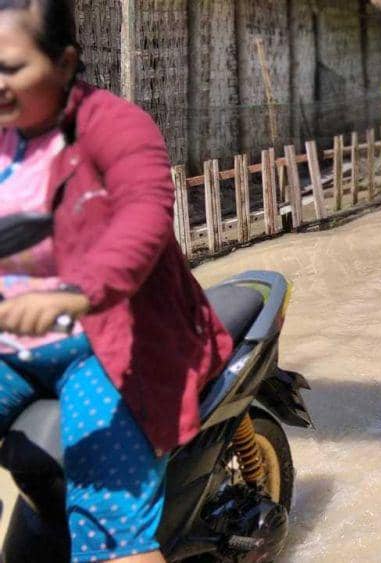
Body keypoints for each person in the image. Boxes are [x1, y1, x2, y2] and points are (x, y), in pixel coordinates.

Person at [0, 1, 233, 561]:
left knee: (108, 526)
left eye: (11, 68)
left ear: (64, 63)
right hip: (13, 346)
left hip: (111, 345)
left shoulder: (114, 125)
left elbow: (144, 216)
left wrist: (78, 291)